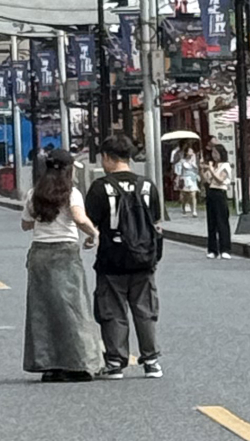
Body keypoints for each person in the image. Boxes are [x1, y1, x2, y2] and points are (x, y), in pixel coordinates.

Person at [84, 133, 163, 379]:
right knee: (145, 310)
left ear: (107, 157)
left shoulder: (100, 187)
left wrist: (91, 238)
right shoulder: (148, 185)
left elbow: (91, 223)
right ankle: (151, 361)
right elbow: (157, 222)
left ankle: (116, 362)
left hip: (112, 259)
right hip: (144, 259)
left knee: (112, 311)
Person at [20, 148, 101, 383]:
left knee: (42, 309)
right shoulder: (71, 193)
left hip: (39, 255)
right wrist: (93, 233)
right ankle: (78, 363)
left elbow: (26, 224)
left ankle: (49, 365)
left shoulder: (34, 193)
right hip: (65, 252)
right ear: (68, 169)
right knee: (73, 308)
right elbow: (78, 217)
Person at [201, 145, 234, 259]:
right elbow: (206, 180)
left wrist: (210, 169)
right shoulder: (213, 165)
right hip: (211, 192)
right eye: (213, 153)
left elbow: (220, 180)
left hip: (220, 193)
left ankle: (225, 249)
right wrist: (202, 169)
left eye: (216, 153)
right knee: (211, 222)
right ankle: (212, 249)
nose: (214, 155)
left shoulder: (225, 165)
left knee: (222, 222)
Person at [175, 143, 201, 218]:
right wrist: (178, 179)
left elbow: (197, 169)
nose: (191, 153)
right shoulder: (182, 161)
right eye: (189, 151)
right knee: (185, 196)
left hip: (192, 179)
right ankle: (184, 207)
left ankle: (194, 211)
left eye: (192, 151)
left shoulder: (195, 160)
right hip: (185, 178)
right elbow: (179, 172)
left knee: (193, 195)